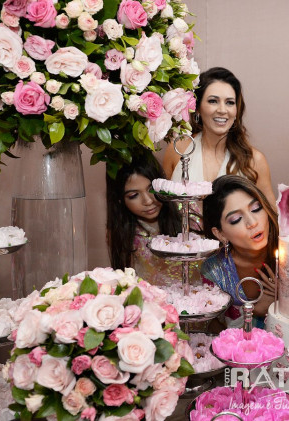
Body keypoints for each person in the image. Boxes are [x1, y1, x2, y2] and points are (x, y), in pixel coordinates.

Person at [163, 67, 276, 205]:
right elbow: (162, 205)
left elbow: (270, 214)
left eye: (230, 102)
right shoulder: (178, 150)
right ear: (197, 108)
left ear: (236, 110)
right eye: (213, 101)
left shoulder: (254, 161)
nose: (222, 110)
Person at [201, 175, 278, 328]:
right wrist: (254, 312)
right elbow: (215, 330)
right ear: (220, 234)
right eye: (236, 219)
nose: (252, 222)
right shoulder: (213, 271)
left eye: (256, 209)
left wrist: (286, 298)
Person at [106, 154, 183, 286]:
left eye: (152, 189)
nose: (148, 201)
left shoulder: (188, 213)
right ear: (119, 199)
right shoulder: (122, 234)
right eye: (134, 195)